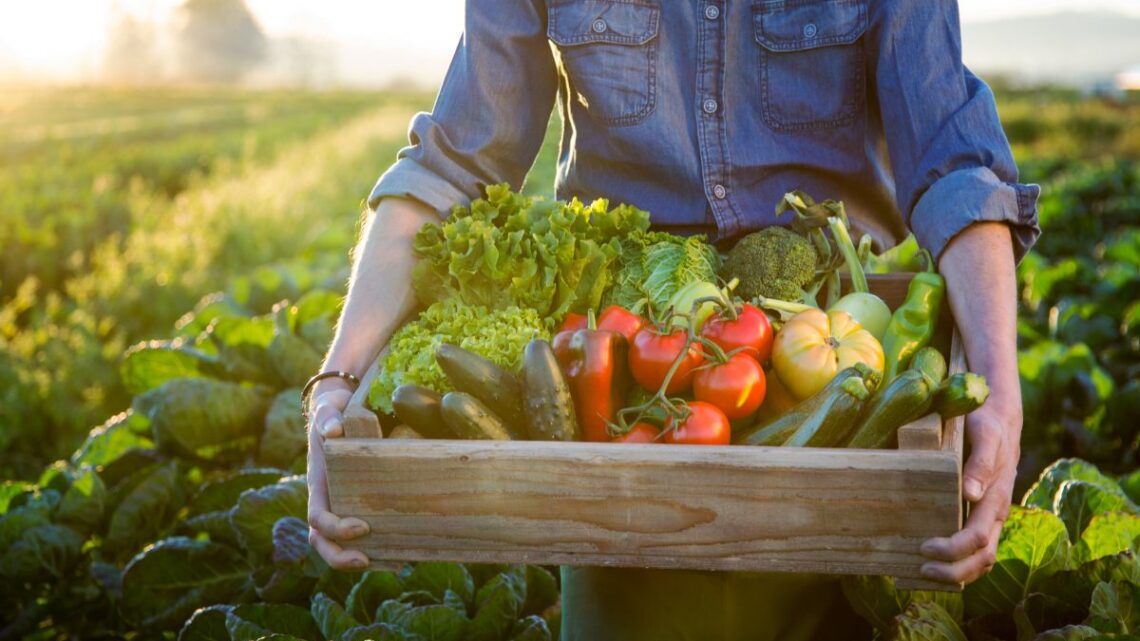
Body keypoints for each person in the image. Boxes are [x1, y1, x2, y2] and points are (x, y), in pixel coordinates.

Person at [305, 1, 1039, 639]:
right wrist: (337, 380)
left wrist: (999, 388)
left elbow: (955, 165)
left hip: (843, 373)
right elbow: (447, 169)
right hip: (621, 405)